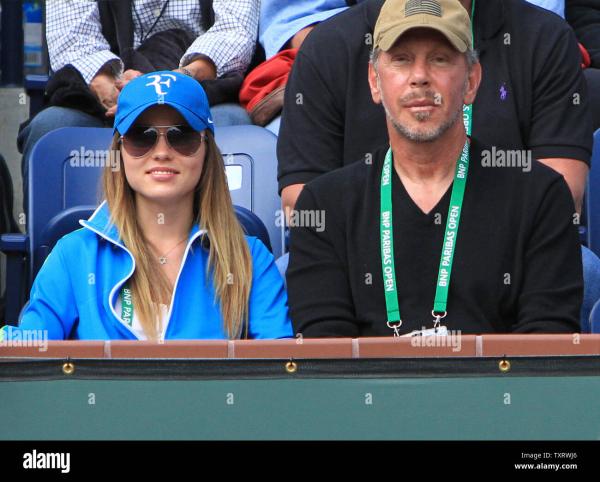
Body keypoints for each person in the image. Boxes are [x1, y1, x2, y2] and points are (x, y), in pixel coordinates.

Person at [287, 0, 582, 336]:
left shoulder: (539, 196)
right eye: (401, 60)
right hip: (368, 391)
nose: (420, 77)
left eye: (440, 59)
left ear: (472, 81)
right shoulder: (326, 206)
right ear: (374, 81)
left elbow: (543, 351)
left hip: (497, 390)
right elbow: (326, 358)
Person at [2, 71, 292, 341]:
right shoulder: (73, 253)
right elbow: (30, 348)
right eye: (142, 136)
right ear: (120, 152)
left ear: (207, 151)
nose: (162, 152)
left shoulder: (250, 258)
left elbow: (279, 370)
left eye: (182, 135)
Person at [18, 0, 260, 208]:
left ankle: (219, 248)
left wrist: (169, 86)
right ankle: (67, 251)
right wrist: (122, 91)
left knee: (232, 126)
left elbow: (234, 32)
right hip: (109, 89)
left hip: (199, 88)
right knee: (52, 129)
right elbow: (72, 40)